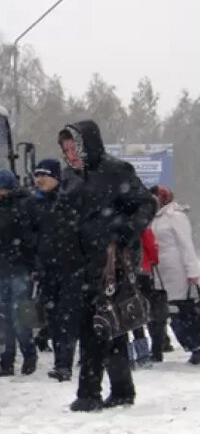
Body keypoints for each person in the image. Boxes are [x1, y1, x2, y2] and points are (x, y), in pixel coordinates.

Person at [57, 120, 156, 412]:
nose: (71, 155)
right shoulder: (71, 178)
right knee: (108, 327)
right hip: (79, 263)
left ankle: (89, 392)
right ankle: (122, 389)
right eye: (66, 150)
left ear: (88, 145)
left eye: (75, 148)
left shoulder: (115, 171)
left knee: (94, 326)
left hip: (110, 262)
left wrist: (123, 230)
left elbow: (146, 204)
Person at [29, 158, 81, 382]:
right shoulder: (35, 205)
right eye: (37, 175)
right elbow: (30, 237)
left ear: (56, 178)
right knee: (54, 318)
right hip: (47, 271)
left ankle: (64, 363)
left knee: (67, 317)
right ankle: (62, 360)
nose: (39, 179)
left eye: (44, 175)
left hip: (70, 269)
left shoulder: (68, 201)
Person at [0, 169, 38, 377]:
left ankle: (10, 360)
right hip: (14, 267)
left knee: (9, 315)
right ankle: (24, 356)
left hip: (10, 267)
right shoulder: (25, 205)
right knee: (17, 314)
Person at [150, 185, 200, 365]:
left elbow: (186, 245)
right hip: (162, 274)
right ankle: (193, 345)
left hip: (179, 272)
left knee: (184, 311)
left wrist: (193, 272)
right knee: (174, 312)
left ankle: (196, 345)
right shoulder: (156, 218)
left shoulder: (175, 217)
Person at [129, 226, 159, 368]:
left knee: (121, 313)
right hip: (142, 270)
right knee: (138, 312)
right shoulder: (141, 224)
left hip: (119, 273)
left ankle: (125, 354)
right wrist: (152, 260)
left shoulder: (111, 223)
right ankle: (143, 354)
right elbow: (151, 246)